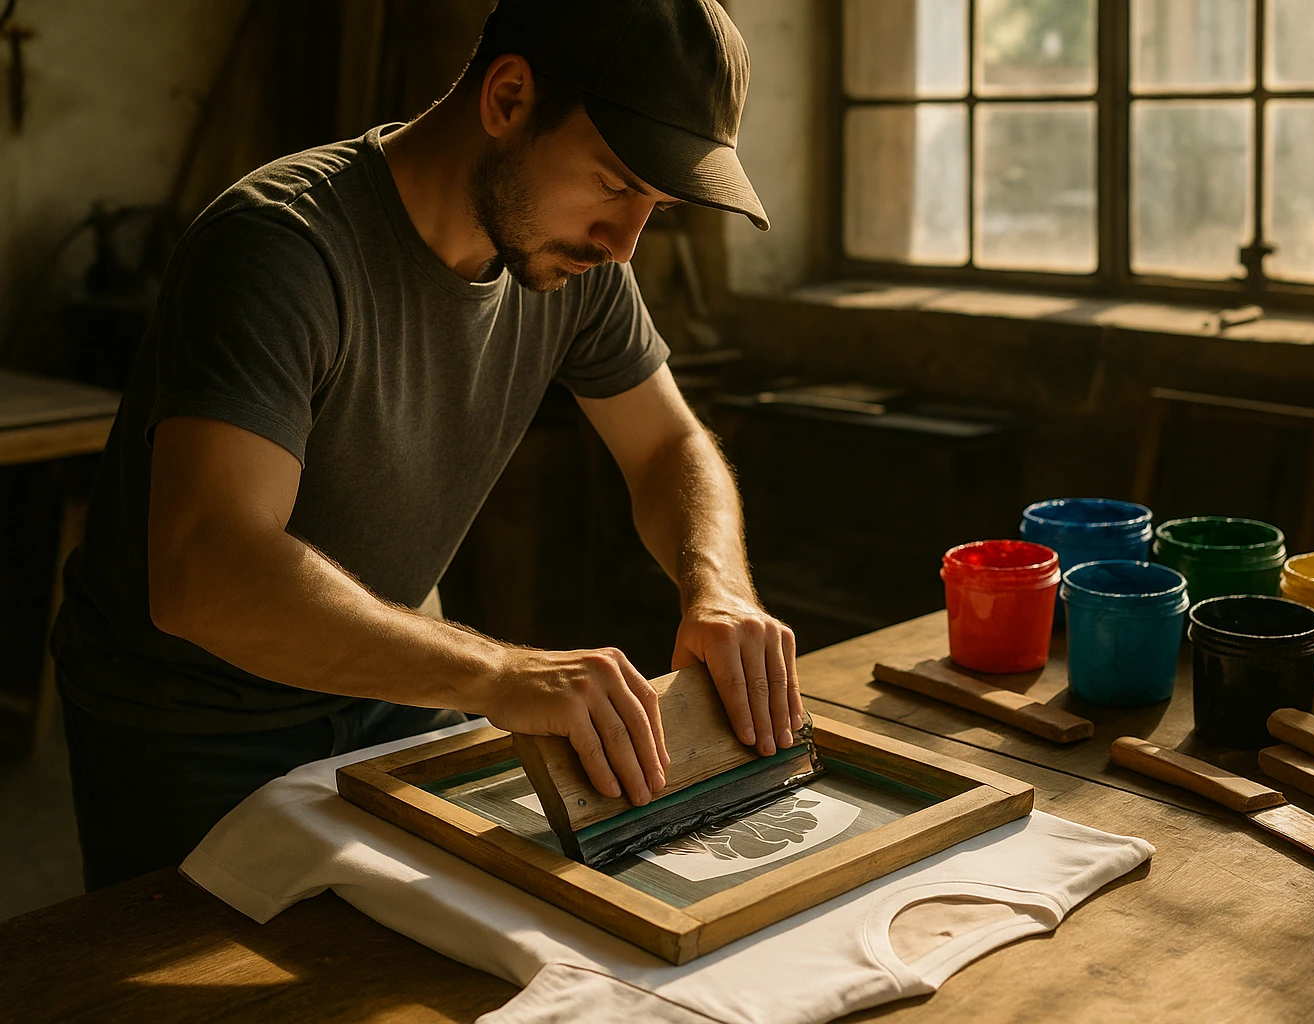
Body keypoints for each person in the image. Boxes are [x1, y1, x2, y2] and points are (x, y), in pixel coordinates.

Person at [50, 0, 801, 891]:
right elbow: (208, 573)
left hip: (406, 696)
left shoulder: (577, 266)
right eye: (613, 183)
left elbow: (668, 446)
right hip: (196, 726)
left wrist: (717, 588)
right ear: (510, 97)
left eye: (657, 205)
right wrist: (502, 671)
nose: (625, 243)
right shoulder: (279, 247)